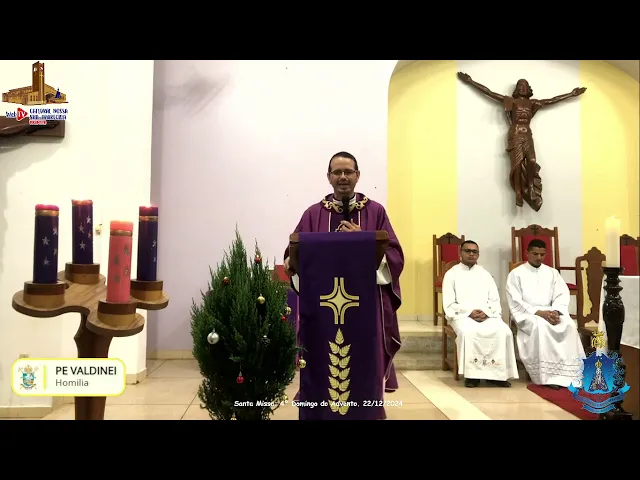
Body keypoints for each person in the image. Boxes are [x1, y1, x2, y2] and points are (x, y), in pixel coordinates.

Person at [283, 151, 404, 392]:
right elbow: (294, 250)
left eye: (348, 172)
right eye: (337, 172)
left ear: (358, 175)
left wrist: (364, 240)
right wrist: (291, 262)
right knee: (323, 361)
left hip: (366, 304)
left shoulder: (375, 211)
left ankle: (366, 404)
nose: (343, 177)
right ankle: (321, 404)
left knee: (363, 364)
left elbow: (395, 255)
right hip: (324, 306)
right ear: (329, 177)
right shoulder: (313, 214)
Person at [506, 239, 586, 389]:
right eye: (535, 254)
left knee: (568, 324)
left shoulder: (552, 273)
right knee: (541, 327)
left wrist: (556, 311)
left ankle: (572, 375)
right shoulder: (516, 274)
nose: (539, 257)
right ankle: (548, 376)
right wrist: (540, 313)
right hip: (529, 314)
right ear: (527, 253)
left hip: (551, 310)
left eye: (542, 254)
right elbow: (515, 300)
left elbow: (561, 294)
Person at [442, 240, 518, 388]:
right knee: (468, 332)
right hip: (462, 316)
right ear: (460, 252)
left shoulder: (485, 274)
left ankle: (497, 375)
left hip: (486, 315)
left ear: (478, 254)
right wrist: (469, 312)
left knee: (504, 332)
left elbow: (494, 299)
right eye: (467, 251)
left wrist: (487, 313)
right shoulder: (451, 274)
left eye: (475, 252)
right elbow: (449, 303)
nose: (471, 254)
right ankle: (472, 376)